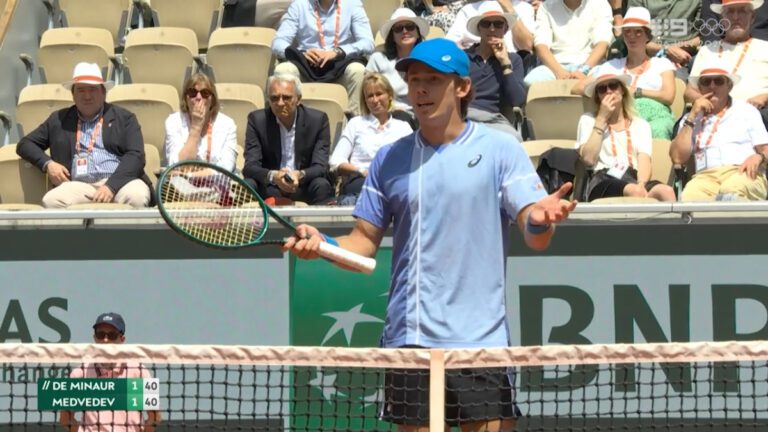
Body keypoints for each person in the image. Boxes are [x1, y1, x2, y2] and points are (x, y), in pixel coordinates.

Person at [284, 38, 576, 430]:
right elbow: (362, 246)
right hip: (411, 341)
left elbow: (535, 233)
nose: (420, 89)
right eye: (414, 79)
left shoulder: (500, 150)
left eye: (433, 80)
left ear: (462, 87)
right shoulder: (389, 159)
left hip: (480, 343)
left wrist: (542, 219)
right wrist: (324, 247)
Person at [16, 62, 151, 208]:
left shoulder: (125, 118)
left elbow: (136, 156)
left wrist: (110, 187)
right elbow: (25, 144)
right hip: (79, 185)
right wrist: (48, 164)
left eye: (92, 89)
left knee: (137, 196)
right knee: (52, 200)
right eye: (81, 90)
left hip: (120, 182)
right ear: (73, 95)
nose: (87, 96)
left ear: (103, 92)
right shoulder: (59, 119)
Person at [572, 7, 677, 139]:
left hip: (656, 117)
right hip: (620, 117)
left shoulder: (661, 64)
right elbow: (577, 88)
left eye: (638, 32)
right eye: (627, 32)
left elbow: (668, 96)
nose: (632, 36)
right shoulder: (613, 65)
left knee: (658, 128)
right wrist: (605, 90)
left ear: (647, 36)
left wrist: (636, 91)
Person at [670, 61, 768, 201]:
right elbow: (677, 158)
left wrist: (759, 157)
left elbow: (766, 149)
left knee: (730, 190)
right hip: (706, 177)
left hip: (743, 172)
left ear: (729, 86)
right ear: (699, 88)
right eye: (706, 82)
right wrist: (692, 116)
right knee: (689, 198)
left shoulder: (747, 111)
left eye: (718, 81)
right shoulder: (690, 119)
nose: (712, 86)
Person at [577, 68, 677, 201]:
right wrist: (601, 119)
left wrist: (641, 184)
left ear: (622, 90)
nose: (608, 91)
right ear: (597, 97)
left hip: (633, 176)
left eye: (613, 86)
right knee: (634, 191)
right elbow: (588, 159)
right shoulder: (588, 120)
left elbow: (644, 160)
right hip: (602, 178)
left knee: (666, 191)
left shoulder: (640, 124)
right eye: (602, 89)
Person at [242, 73, 334, 205]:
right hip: (271, 186)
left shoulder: (318, 120)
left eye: (286, 97)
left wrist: (299, 175)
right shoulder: (257, 120)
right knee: (248, 184)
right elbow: (250, 167)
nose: (280, 103)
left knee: (322, 185)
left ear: (298, 99)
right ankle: (253, 226)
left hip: (303, 185)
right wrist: (274, 176)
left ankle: (317, 225)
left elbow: (321, 167)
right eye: (274, 98)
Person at [60, 312, 161, 432]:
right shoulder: (80, 373)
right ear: (94, 338)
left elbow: (155, 417)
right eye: (100, 334)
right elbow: (65, 419)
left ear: (122, 339)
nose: (105, 340)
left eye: (112, 335)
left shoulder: (139, 371)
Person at [271, 0, 374, 116]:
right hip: (306, 64)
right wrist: (302, 53)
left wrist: (338, 52)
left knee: (357, 70)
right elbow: (278, 42)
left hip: (340, 64)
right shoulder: (299, 5)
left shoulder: (352, 3)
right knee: (283, 70)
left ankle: (354, 123)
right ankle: (288, 125)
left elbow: (367, 42)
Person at [329, 73, 413, 205]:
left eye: (379, 94)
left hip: (392, 180)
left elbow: (412, 161)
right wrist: (361, 171)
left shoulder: (403, 127)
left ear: (389, 95)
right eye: (370, 96)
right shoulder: (356, 124)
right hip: (361, 181)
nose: (375, 100)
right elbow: (336, 161)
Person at [685, 0, 768, 128]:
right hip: (712, 116)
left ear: (752, 17)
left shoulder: (765, 48)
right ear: (722, 19)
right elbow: (689, 92)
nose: (735, 17)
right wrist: (703, 101)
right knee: (683, 124)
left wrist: (765, 97)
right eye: (730, 12)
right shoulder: (707, 50)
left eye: (742, 11)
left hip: (758, 115)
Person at [464, 2, 527, 139]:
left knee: (514, 140)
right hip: (463, 117)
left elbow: (517, 100)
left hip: (492, 121)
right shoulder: (463, 57)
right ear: (479, 28)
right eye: (486, 24)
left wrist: (505, 63)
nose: (492, 29)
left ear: (505, 29)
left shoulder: (513, 60)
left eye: (498, 24)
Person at [524, 0, 613, 86]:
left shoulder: (600, 3)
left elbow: (602, 44)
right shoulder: (547, 7)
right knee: (530, 81)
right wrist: (559, 72)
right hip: (556, 66)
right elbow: (541, 46)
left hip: (590, 67)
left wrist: (583, 71)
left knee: (607, 81)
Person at [163, 73, 238, 170]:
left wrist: (193, 176)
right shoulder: (173, 122)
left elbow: (225, 170)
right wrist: (195, 128)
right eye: (192, 93)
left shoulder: (227, 125)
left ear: (212, 100)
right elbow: (176, 166)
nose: (198, 97)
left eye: (205, 93)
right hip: (180, 184)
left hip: (216, 184)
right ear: (186, 98)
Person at [366, 8, 428, 118]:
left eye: (410, 26)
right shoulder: (377, 59)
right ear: (392, 36)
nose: (405, 31)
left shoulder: (428, 60)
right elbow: (368, 93)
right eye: (398, 28)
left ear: (418, 33)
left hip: (421, 116)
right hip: (386, 115)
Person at [627, 0, 701, 72]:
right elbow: (633, 36)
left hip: (683, 60)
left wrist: (676, 49)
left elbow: (703, 37)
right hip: (644, 58)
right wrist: (666, 50)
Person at [446, 0, 537, 53]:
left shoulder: (525, 8)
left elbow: (527, 46)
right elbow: (449, 43)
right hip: (475, 63)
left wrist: (509, 9)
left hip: (511, 63)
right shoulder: (468, 10)